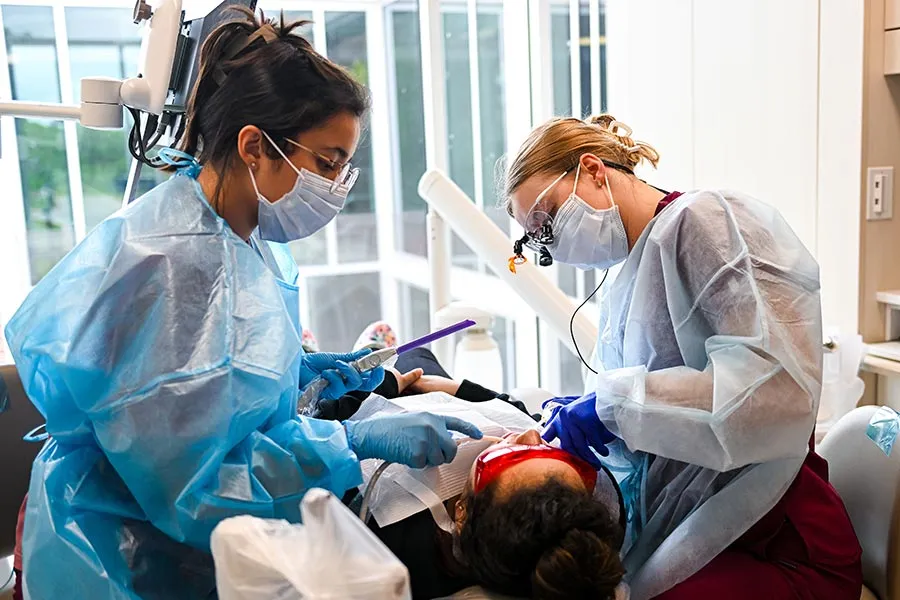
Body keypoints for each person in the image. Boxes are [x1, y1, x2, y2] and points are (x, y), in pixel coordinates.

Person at [3, 9, 480, 599]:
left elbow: (209, 393)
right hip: (120, 553)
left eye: (343, 168)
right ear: (254, 146)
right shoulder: (176, 266)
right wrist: (351, 443)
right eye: (327, 163)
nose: (335, 185)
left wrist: (297, 374)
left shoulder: (244, 238)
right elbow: (199, 486)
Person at [502, 115, 862, 599]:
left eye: (546, 218)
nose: (551, 242)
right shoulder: (627, 281)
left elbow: (778, 391)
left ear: (591, 169)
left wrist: (613, 407)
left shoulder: (707, 222)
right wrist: (593, 411)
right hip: (712, 522)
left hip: (781, 535)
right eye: (537, 239)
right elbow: (659, 402)